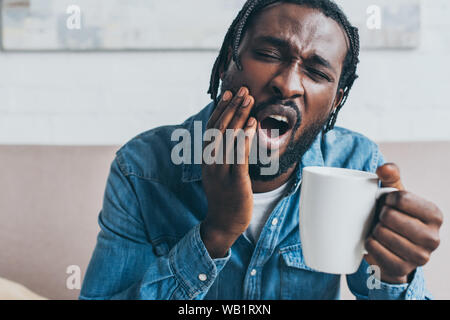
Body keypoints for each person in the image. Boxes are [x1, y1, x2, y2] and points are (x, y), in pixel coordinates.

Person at [80, 0, 443, 300]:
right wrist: (216, 232)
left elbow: (382, 285)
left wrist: (395, 277)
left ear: (336, 101)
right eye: (269, 53)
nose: (287, 84)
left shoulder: (356, 165)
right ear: (226, 63)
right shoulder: (143, 169)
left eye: (317, 73)